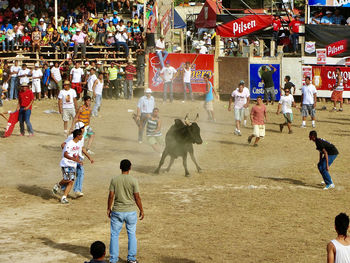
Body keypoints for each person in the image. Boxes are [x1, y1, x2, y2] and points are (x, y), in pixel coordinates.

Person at [107, 159, 144, 263]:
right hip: (130, 211)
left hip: (117, 211)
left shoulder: (114, 180)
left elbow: (111, 196)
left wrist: (108, 208)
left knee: (114, 235)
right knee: (131, 234)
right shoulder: (133, 180)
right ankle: (131, 258)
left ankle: (113, 259)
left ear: (120, 167)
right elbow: (137, 197)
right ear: (130, 168)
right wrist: (141, 210)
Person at [57, 122, 94, 198]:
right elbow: (63, 145)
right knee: (75, 174)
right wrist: (69, 154)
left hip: (77, 158)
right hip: (73, 159)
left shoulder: (81, 137)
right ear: (80, 129)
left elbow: (82, 148)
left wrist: (89, 157)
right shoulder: (71, 137)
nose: (84, 129)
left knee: (75, 174)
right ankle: (73, 189)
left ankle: (68, 189)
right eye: (83, 127)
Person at [54, 129, 83, 204]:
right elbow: (65, 154)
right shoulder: (70, 143)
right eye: (81, 135)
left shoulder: (79, 144)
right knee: (67, 179)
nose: (82, 136)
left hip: (73, 165)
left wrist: (78, 161)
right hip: (66, 164)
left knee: (71, 181)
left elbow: (76, 154)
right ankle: (58, 185)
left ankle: (64, 197)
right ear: (78, 135)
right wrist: (74, 159)